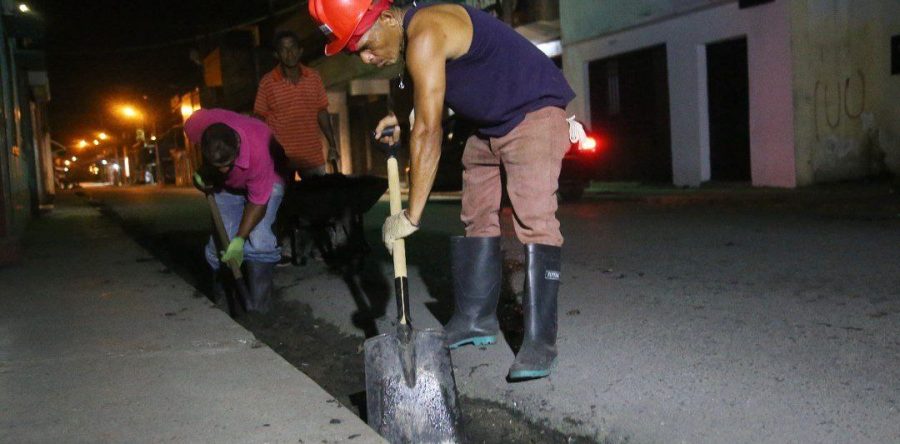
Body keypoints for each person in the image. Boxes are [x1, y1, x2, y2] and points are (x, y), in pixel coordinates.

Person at [309, 0, 577, 381]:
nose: (366, 58)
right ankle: (475, 318)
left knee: (533, 219)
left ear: (386, 17)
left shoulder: (426, 30)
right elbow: (420, 98)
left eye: (365, 45)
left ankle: (540, 342)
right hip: (485, 125)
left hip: (532, 112)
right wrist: (402, 117)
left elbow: (429, 131)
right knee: (476, 214)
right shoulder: (411, 37)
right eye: (357, 52)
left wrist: (411, 215)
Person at [187, 108, 285, 313]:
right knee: (219, 246)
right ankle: (224, 301)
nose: (223, 170)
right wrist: (200, 172)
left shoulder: (260, 147)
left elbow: (258, 202)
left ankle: (260, 307)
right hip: (226, 188)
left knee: (259, 240)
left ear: (237, 145)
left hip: (268, 179)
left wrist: (240, 239)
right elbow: (193, 146)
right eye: (217, 165)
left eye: (227, 164)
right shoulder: (197, 124)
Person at [254, 30, 339, 179]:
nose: (290, 53)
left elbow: (322, 112)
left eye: (293, 48)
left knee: (315, 200)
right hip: (280, 158)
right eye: (284, 50)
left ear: (300, 51)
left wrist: (332, 144)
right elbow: (259, 119)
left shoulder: (314, 77)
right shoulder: (267, 82)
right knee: (283, 201)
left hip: (312, 156)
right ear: (277, 55)